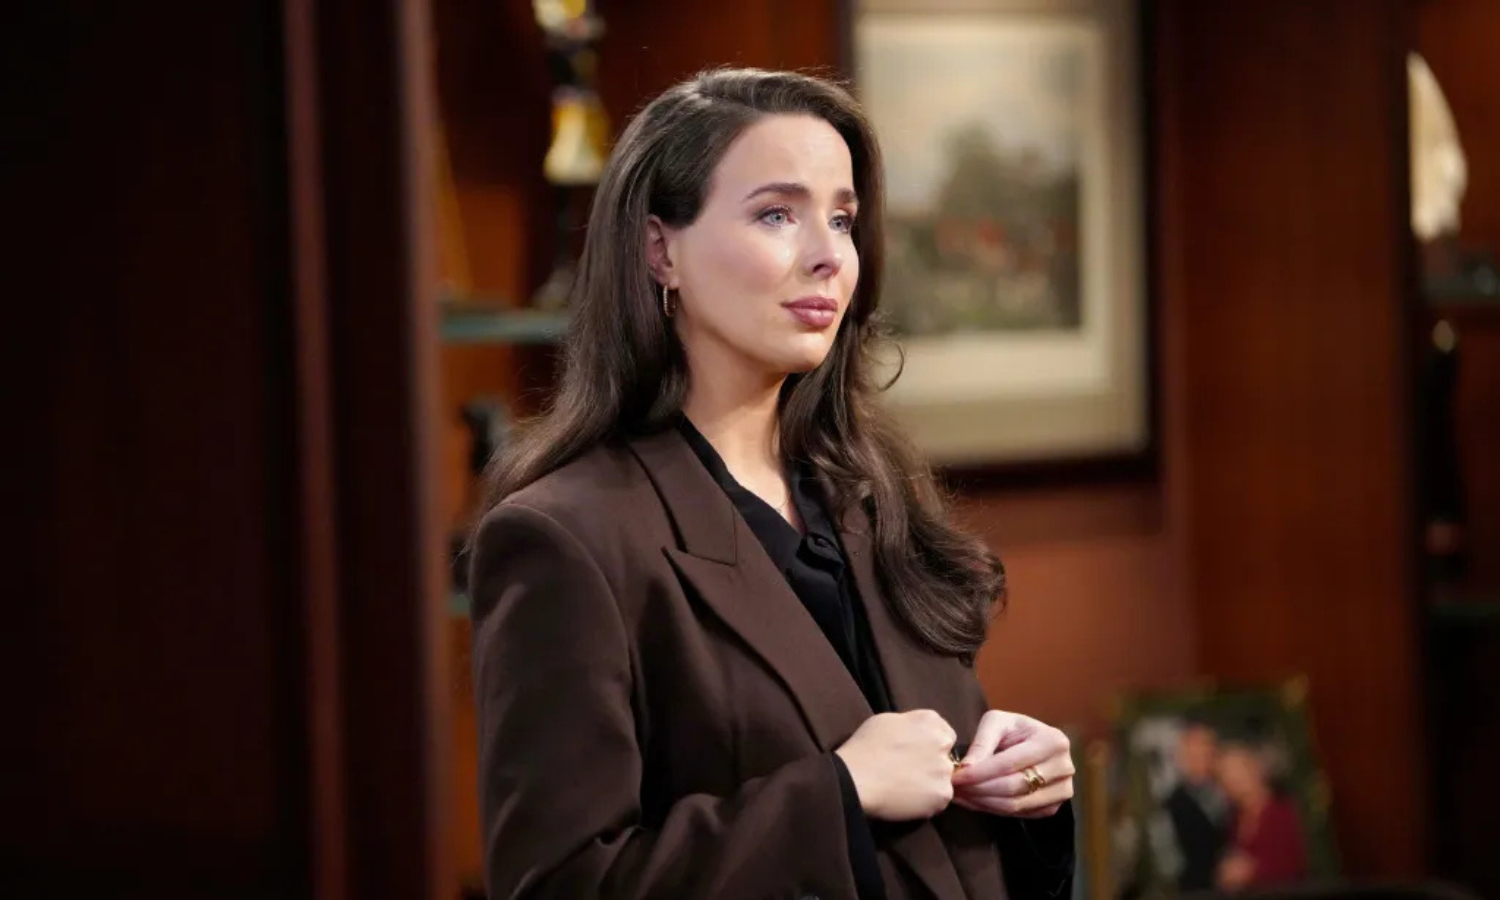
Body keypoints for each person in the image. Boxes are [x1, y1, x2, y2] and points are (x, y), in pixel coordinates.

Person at [468, 67, 1076, 900]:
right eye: (777, 215)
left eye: (842, 219)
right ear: (659, 250)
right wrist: (838, 795)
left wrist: (1025, 796)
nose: (829, 256)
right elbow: (562, 884)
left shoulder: (872, 497)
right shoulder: (565, 538)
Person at [1214, 743, 1308, 891]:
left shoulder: (1282, 811)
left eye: (1238, 771)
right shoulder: (1234, 819)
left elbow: (1293, 864)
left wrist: (1251, 871)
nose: (1232, 780)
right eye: (1225, 775)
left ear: (1255, 769)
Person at [1163, 720, 1230, 892]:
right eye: (1192, 749)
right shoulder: (1172, 805)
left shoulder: (1234, 792)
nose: (1200, 753)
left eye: (1206, 746)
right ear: (1180, 756)